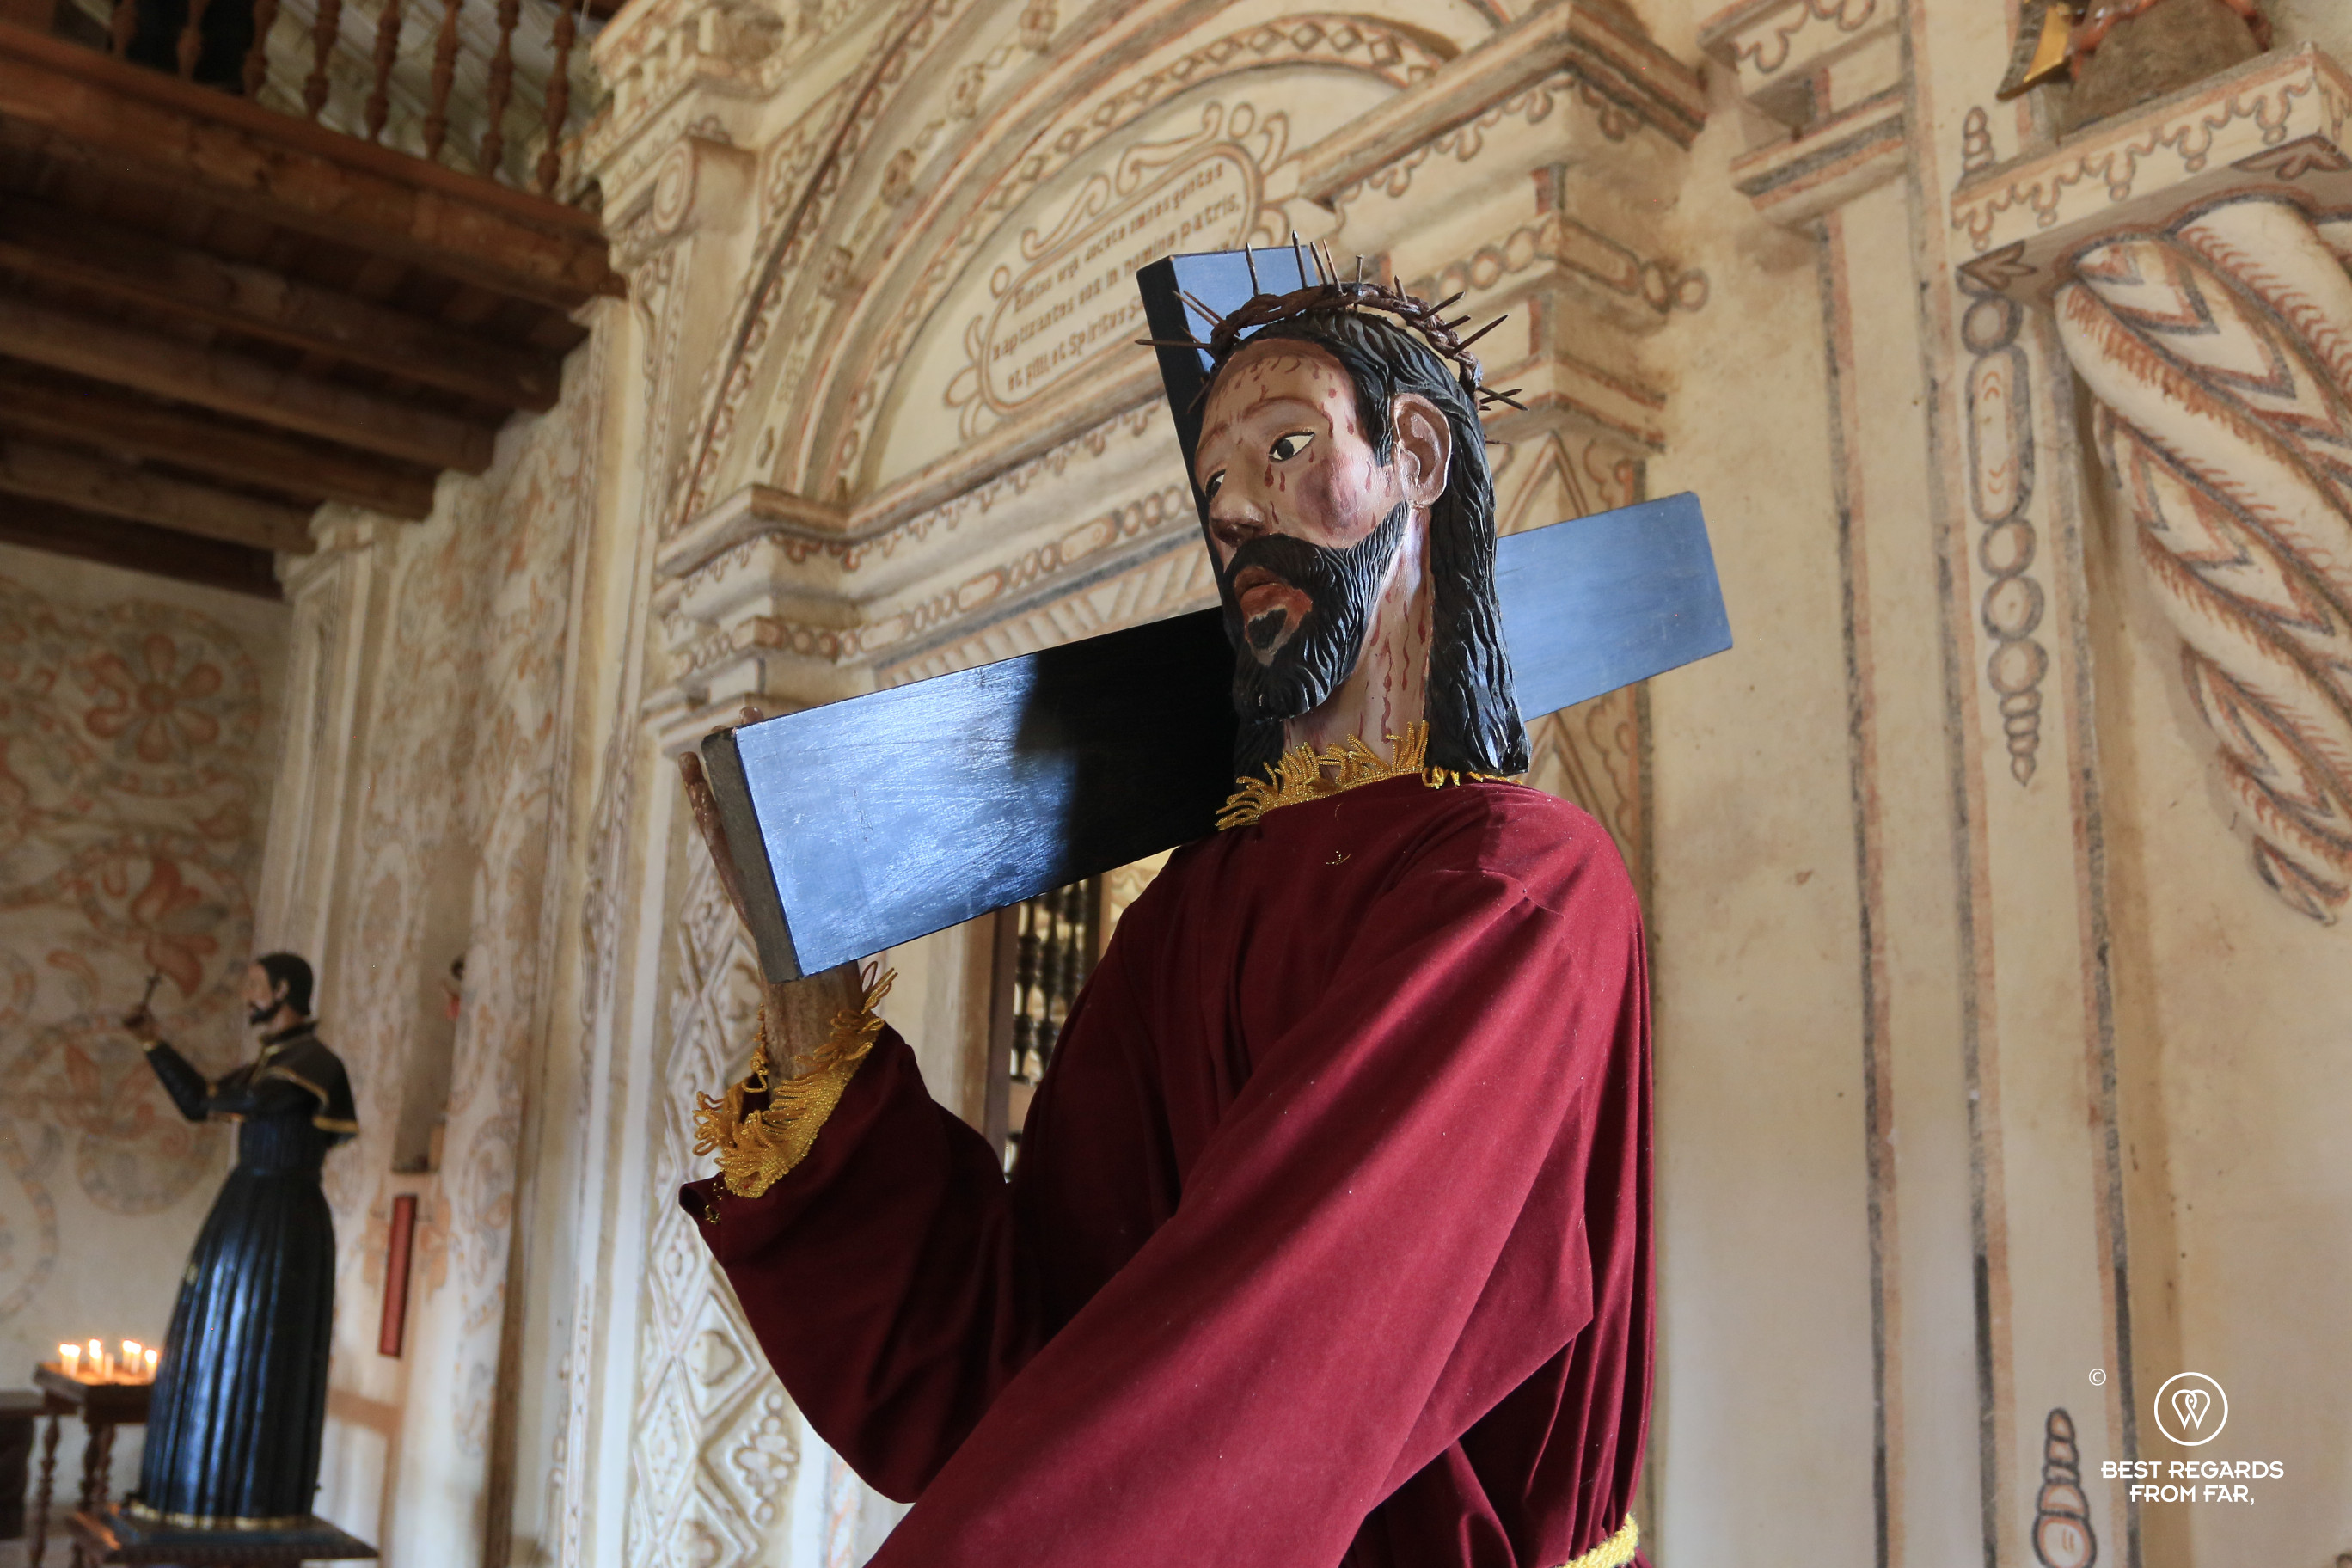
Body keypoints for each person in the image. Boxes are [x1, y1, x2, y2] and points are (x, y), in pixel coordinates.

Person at [681, 271, 1652, 1568]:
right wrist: (813, 1019)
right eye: (1214, 488)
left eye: (1287, 449)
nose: (1236, 509)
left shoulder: (1519, 886)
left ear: (1416, 454)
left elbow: (1262, 1367)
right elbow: (1018, 1361)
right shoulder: (1194, 908)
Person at [121, 951, 356, 1528]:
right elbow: (199, 1101)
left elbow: (253, 1101)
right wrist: (152, 1042)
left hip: (282, 1217)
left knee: (264, 1348)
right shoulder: (270, 1062)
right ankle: (193, 1492)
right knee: (209, 1343)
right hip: (244, 1209)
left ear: (285, 991)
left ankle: (250, 1498)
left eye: (255, 985)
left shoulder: (313, 1063)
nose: (247, 996)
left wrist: (213, 1094)